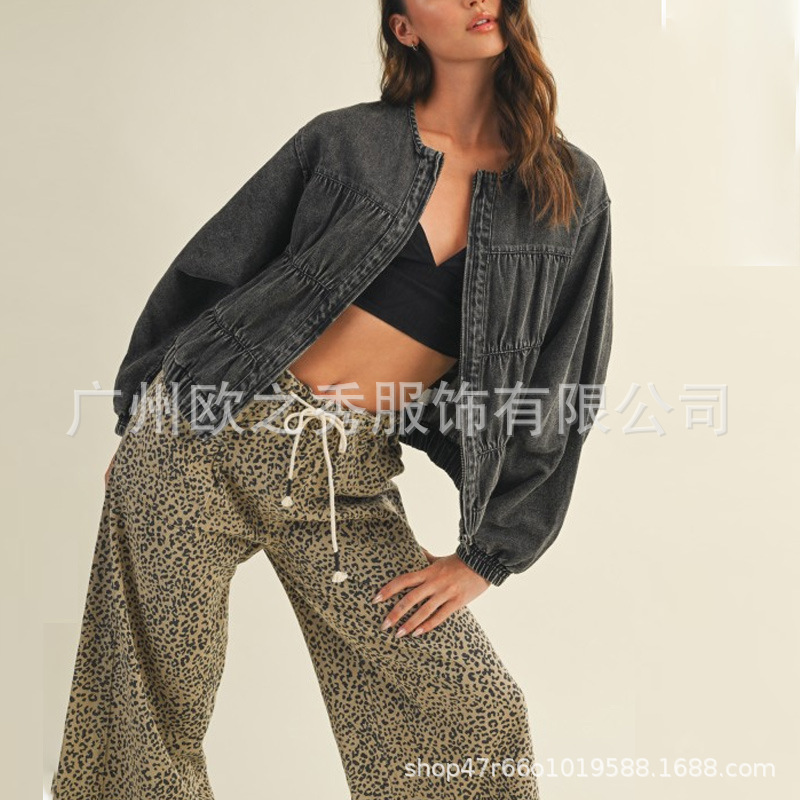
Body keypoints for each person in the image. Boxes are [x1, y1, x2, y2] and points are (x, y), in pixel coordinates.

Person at [51, 1, 614, 798]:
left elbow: (566, 378)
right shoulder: (347, 142)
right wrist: (142, 406)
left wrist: (488, 556)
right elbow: (216, 263)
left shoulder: (568, 188)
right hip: (203, 428)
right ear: (404, 27)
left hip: (343, 477)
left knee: (475, 714)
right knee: (144, 714)